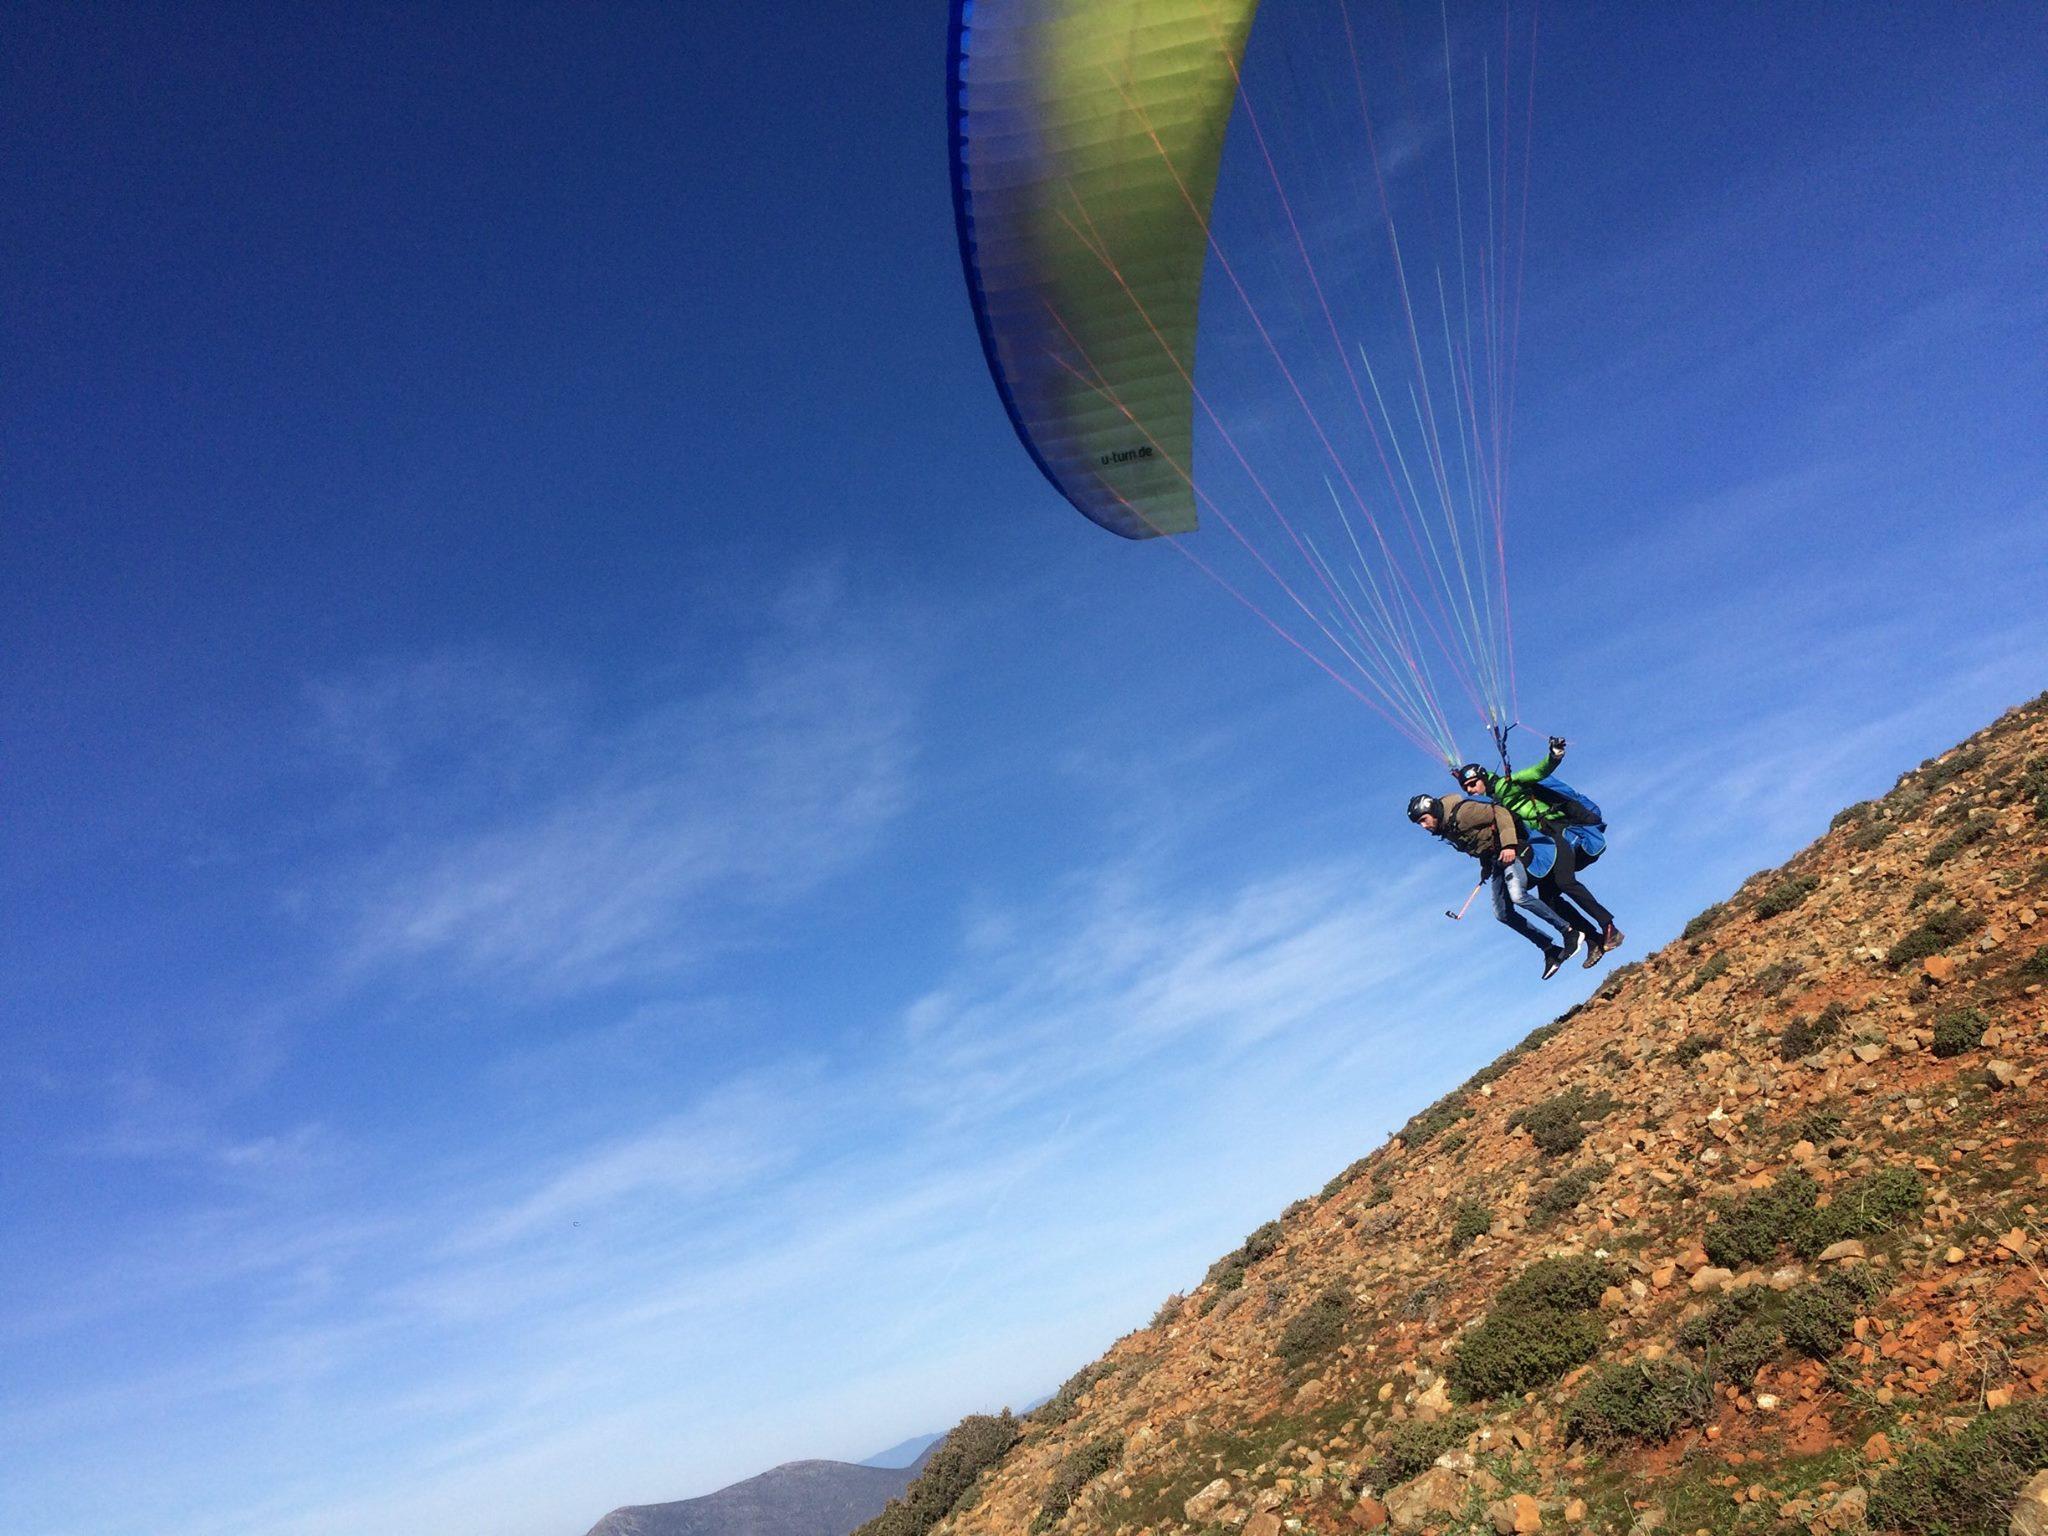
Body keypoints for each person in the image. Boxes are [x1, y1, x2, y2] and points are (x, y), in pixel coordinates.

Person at [1452, 738, 1624, 967]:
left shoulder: (1511, 783)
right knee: (1548, 899)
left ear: (1483, 778)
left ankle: (1609, 926)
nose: (1470, 790)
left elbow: (1538, 771)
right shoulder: (1493, 803)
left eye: (1473, 784)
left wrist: (1554, 755)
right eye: (1466, 788)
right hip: (1545, 843)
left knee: (1565, 882)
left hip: (1559, 833)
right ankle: (1593, 940)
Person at [1407, 790, 1582, 979]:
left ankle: (1569, 931)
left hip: (1513, 850)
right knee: (1502, 913)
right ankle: (1550, 949)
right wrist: (1485, 867)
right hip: (1496, 860)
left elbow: (1500, 812)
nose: (1423, 826)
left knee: (1518, 896)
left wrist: (1508, 845)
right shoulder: (1448, 828)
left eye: (1424, 820)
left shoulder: (1464, 813)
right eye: (1419, 823)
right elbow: (1481, 841)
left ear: (1433, 810)